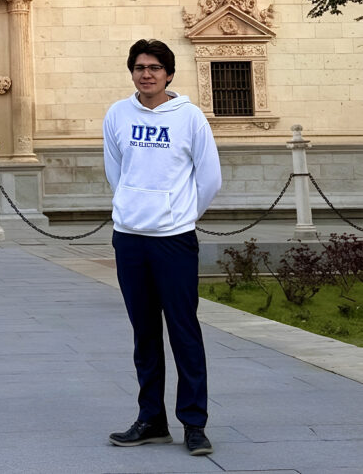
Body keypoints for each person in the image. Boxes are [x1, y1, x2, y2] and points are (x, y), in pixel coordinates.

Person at [103, 39, 221, 458]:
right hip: (130, 239)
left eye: (154, 67)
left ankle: (194, 423)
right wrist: (132, 209)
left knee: (184, 332)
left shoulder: (190, 118)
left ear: (169, 73)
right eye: (139, 67)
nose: (146, 74)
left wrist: (178, 216)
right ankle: (151, 420)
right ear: (132, 72)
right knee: (144, 334)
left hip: (174, 240)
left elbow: (209, 179)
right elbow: (115, 169)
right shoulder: (118, 114)